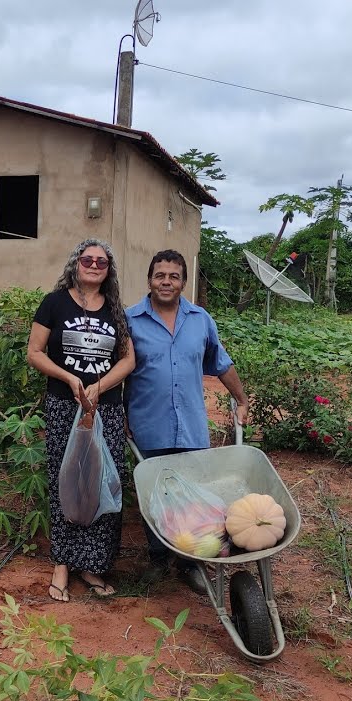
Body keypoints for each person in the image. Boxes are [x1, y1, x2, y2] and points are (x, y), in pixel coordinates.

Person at [125, 249, 249, 591]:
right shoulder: (130, 320)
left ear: (183, 282)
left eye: (174, 276)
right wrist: (119, 411)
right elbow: (119, 370)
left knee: (194, 495)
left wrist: (241, 399)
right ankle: (158, 559)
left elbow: (220, 362)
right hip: (147, 423)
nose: (166, 282)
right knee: (154, 493)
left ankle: (190, 562)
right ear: (149, 280)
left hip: (191, 425)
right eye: (160, 275)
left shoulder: (200, 319)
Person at [27, 238, 135, 602]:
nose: (93, 265)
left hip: (105, 408)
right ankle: (62, 562)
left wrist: (99, 387)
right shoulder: (55, 303)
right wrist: (69, 378)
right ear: (76, 263)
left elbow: (128, 360)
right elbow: (35, 352)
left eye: (101, 262)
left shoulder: (116, 310)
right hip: (64, 405)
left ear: (109, 270)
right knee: (66, 480)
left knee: (102, 482)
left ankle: (93, 565)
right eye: (87, 259)